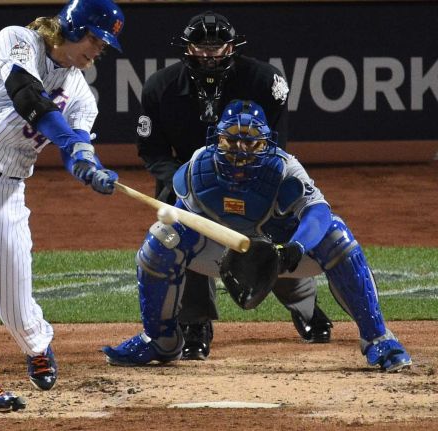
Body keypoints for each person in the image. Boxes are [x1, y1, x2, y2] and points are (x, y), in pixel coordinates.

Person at [104, 99, 412, 373]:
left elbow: (318, 213)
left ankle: (378, 339)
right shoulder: (199, 167)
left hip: (283, 256)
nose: (240, 151)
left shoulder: (285, 169)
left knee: (337, 234)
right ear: (218, 139)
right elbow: (184, 224)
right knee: (163, 238)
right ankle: (160, 340)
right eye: (231, 142)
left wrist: (294, 247)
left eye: (250, 143)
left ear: (265, 143)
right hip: (220, 256)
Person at [0, 0, 123, 413]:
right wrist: (70, 141)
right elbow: (27, 96)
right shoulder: (18, 40)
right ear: (72, 28)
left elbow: (78, 150)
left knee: (15, 304)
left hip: (7, 190)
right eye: (94, 38)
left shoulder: (81, 97)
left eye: (103, 44)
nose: (98, 49)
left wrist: (89, 166)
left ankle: (36, 343)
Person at [130, 11, 331, 362]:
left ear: (232, 47)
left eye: (217, 46)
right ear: (187, 48)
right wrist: (185, 179)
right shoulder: (159, 87)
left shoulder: (265, 81)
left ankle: (306, 306)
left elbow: (276, 147)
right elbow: (152, 149)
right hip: (189, 179)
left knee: (272, 239)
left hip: (255, 174)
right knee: (182, 235)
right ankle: (195, 323)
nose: (209, 55)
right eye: (201, 47)